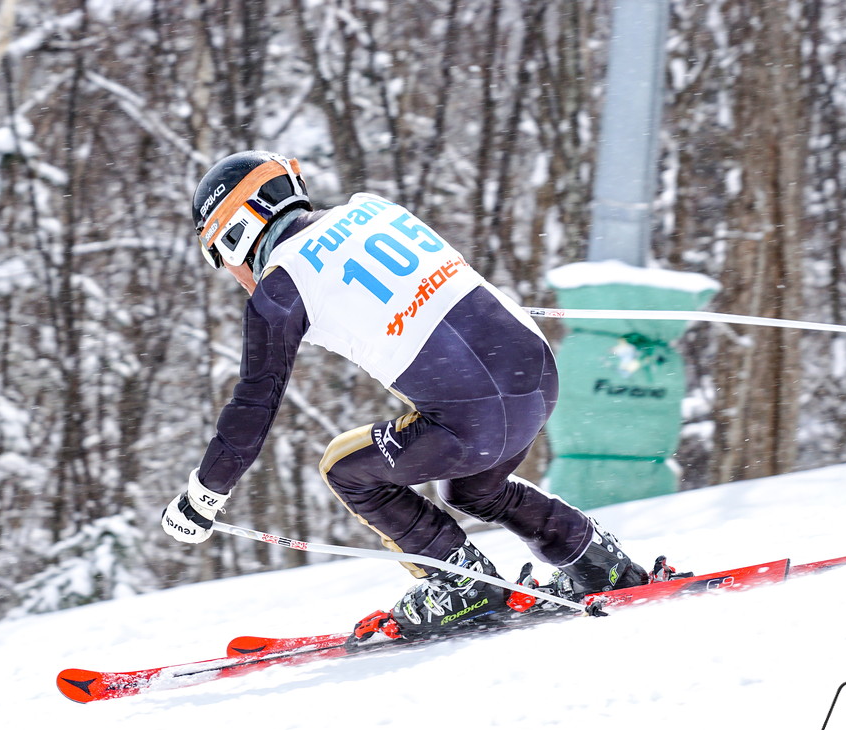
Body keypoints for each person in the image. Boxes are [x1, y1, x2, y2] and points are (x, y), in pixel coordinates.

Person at [162, 150, 648, 641]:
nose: (230, 272)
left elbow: (253, 404)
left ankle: (460, 585)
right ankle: (592, 557)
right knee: (471, 489)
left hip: (475, 417)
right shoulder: (372, 207)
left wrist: (204, 496)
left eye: (220, 257)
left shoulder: (280, 289)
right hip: (538, 376)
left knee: (345, 468)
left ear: (236, 230)